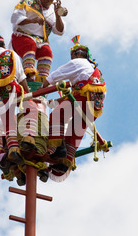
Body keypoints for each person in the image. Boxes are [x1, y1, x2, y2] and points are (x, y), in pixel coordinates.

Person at [43, 36, 107, 175]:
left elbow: (55, 76)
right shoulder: (93, 69)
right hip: (95, 105)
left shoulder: (78, 62)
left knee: (57, 115)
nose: (71, 58)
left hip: (83, 98)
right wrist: (56, 102)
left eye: (72, 55)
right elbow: (78, 91)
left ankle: (56, 149)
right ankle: (65, 161)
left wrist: (40, 90)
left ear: (77, 54)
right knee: (76, 129)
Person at [0, 30, 39, 165]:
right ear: (3, 44)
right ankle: (28, 137)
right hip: (12, 89)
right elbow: (21, 76)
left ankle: (13, 148)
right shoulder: (10, 54)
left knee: (8, 121)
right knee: (31, 107)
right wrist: (28, 94)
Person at [10, 0, 67, 84]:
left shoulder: (52, 13)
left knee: (47, 51)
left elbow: (60, 31)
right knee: (30, 44)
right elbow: (15, 19)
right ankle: (28, 75)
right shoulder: (27, 3)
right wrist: (33, 20)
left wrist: (58, 15)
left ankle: (41, 81)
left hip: (40, 42)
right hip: (22, 37)